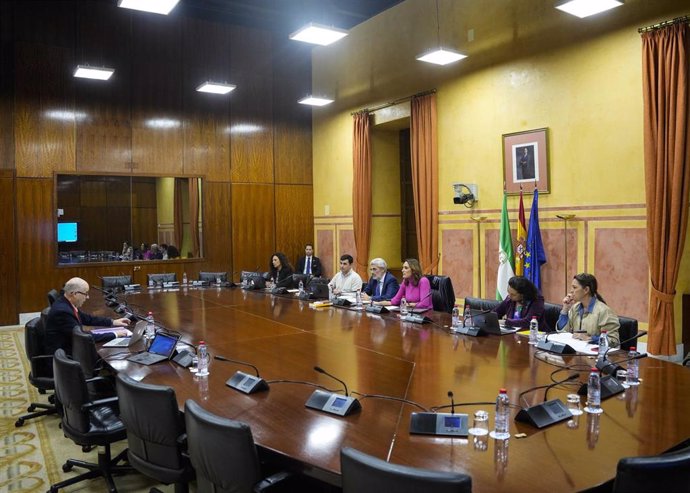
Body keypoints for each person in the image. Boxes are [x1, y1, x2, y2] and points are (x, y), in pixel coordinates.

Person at [44, 277, 130, 356]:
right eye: (85, 293)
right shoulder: (63, 312)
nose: (87, 297)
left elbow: (87, 318)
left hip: (68, 349)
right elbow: (82, 337)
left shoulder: (66, 303)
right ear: (74, 294)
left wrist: (113, 322)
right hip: (66, 357)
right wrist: (114, 334)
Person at [556, 273, 620, 346]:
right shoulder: (575, 307)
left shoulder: (604, 311)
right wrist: (565, 309)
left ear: (586, 290)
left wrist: (591, 338)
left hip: (596, 354)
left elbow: (613, 341)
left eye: (574, 287)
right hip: (578, 351)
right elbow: (563, 333)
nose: (571, 291)